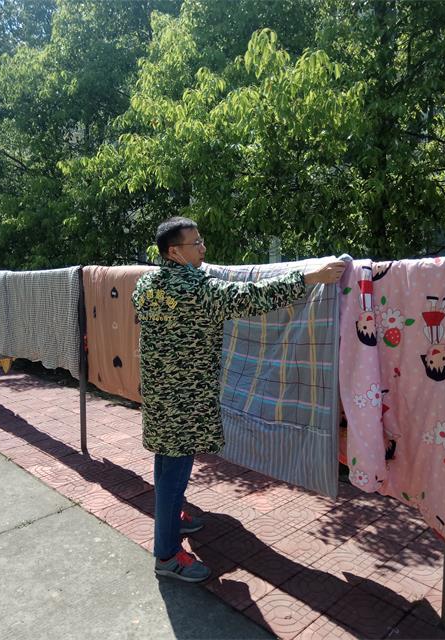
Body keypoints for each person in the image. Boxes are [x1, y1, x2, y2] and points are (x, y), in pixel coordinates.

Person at [132, 217, 346, 582]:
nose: (203, 248)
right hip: (184, 398)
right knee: (175, 469)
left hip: (159, 391)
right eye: (195, 243)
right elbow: (250, 297)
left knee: (165, 461)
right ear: (174, 252)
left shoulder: (147, 284)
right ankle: (166, 556)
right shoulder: (196, 288)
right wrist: (310, 277)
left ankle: (172, 517)